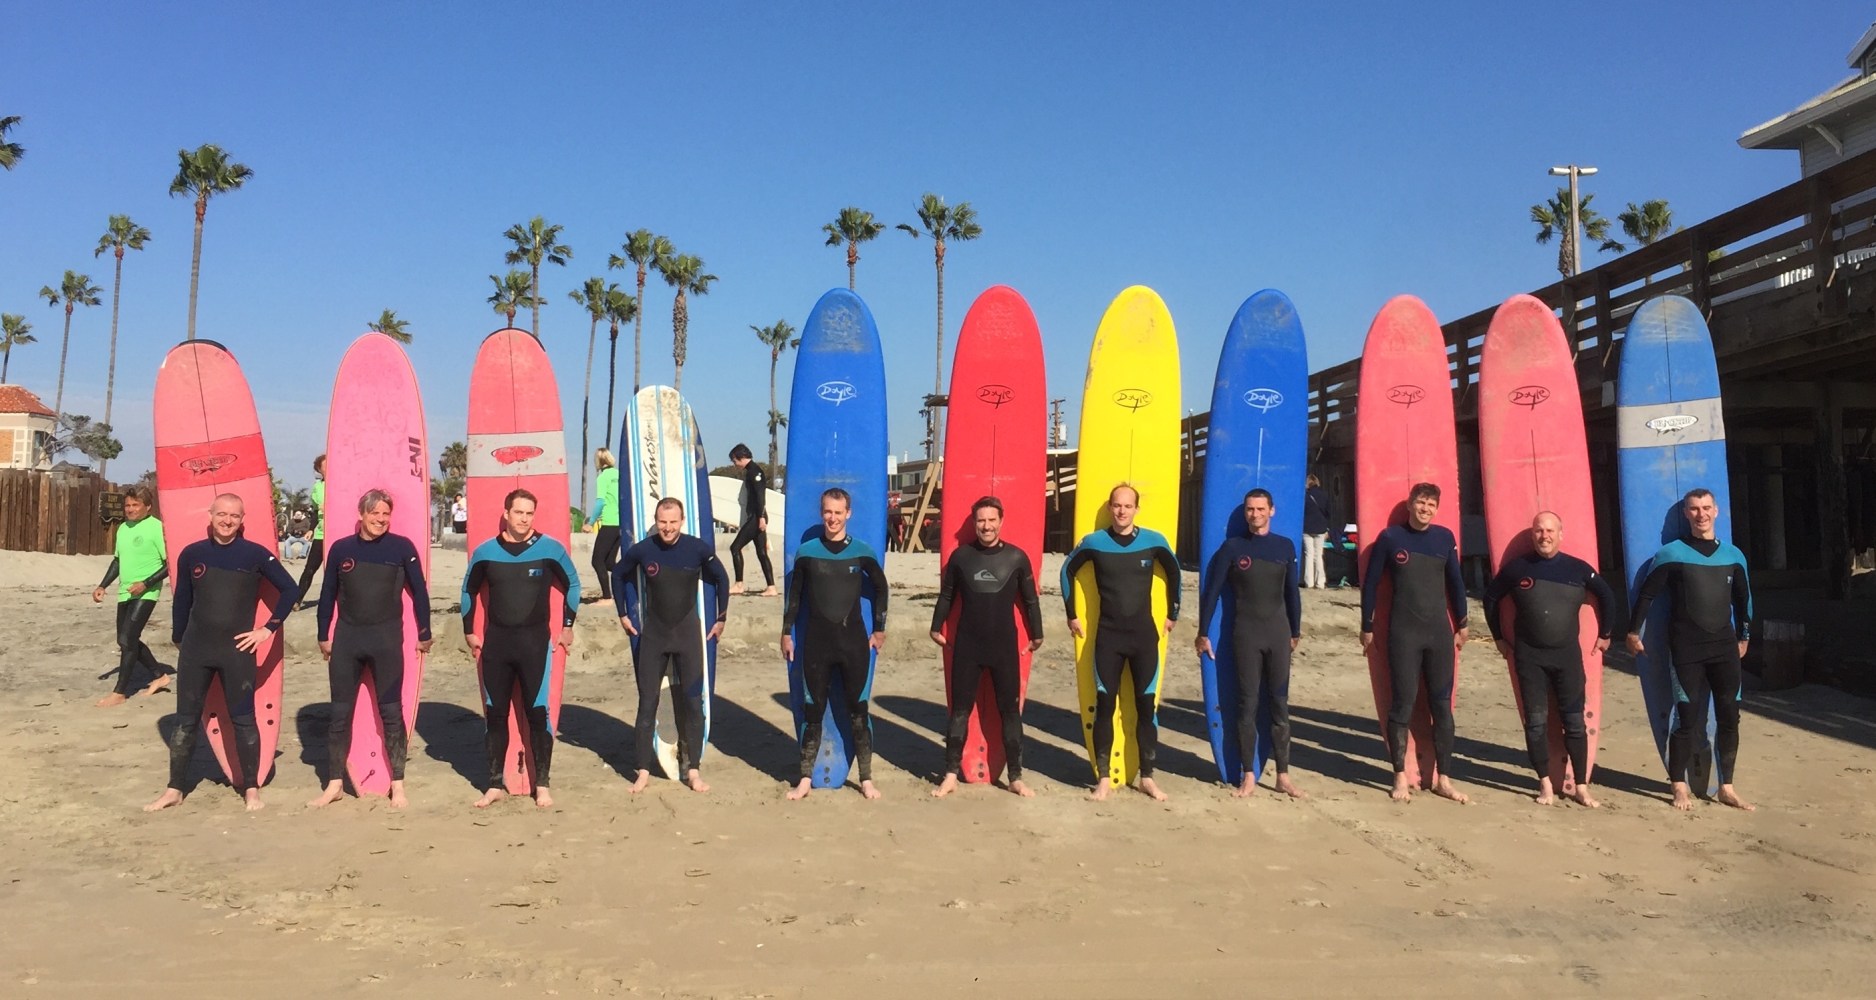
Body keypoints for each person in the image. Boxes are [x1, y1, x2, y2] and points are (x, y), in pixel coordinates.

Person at [144, 493, 299, 812]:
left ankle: (251, 788)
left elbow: (290, 590)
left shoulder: (256, 555)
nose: (227, 521)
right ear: (211, 515)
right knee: (185, 722)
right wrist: (179, 639)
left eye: (235, 516)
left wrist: (267, 629)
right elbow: (182, 600)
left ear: (243, 521)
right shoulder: (191, 554)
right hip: (196, 650)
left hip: (236, 652)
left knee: (243, 719)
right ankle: (175, 788)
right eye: (222, 514)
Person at [1626, 488, 1755, 812]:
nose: (1701, 514)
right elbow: (1646, 595)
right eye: (1694, 509)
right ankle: (1678, 786)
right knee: (1686, 718)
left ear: (1717, 511)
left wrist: (1745, 636)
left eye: (1706, 508)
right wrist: (1632, 631)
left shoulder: (1733, 556)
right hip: (1686, 649)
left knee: (1730, 717)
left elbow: (1744, 600)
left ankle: (1727, 787)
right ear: (1686, 514)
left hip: (1724, 648)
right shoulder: (1672, 554)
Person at [308, 490, 433, 809]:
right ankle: (335, 782)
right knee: (339, 714)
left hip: (386, 641)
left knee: (391, 712)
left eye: (386, 514)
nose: (381, 519)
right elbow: (327, 594)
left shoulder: (401, 548)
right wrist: (324, 633)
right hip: (348, 639)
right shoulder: (341, 549)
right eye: (375, 513)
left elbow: (419, 591)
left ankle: (398, 784)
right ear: (361, 514)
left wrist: (424, 631)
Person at [1484, 511, 1616, 808]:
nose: (1544, 536)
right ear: (1533, 535)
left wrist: (1605, 634)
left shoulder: (1577, 569)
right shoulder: (1517, 568)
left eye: (1549, 530)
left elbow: (1607, 596)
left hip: (1567, 657)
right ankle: (1544, 783)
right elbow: (1491, 599)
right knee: (1536, 723)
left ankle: (1581, 786)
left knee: (1574, 724)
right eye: (1538, 531)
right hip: (1530, 658)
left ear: (1561, 534)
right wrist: (1498, 637)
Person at [1061, 484, 1182, 802]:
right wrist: (1071, 614)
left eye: (1128, 506)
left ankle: (1148, 777)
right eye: (1116, 506)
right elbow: (1067, 571)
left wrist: (1173, 612)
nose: (1121, 511)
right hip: (1108, 637)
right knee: (1105, 706)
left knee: (1145, 707)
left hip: (1144, 636)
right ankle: (1103, 779)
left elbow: (1174, 572)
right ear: (1110, 508)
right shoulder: (1095, 543)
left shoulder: (1154, 541)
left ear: (1136, 509)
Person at [462, 489, 579, 809]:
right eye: (519, 513)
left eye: (529, 514)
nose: (524, 519)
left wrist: (567, 625)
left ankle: (542, 784)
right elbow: (468, 590)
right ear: (506, 513)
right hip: (497, 645)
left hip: (534, 644)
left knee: (537, 713)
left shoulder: (550, 549)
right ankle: (494, 784)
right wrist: (469, 631)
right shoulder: (485, 552)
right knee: (495, 714)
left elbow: (574, 583)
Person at [1360, 482, 1470, 804]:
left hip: (1438, 633)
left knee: (1442, 706)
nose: (1425, 509)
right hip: (1403, 634)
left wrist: (1462, 622)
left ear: (1437, 509)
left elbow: (1456, 582)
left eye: (1431, 505)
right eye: (1420, 503)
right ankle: (1399, 777)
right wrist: (1366, 626)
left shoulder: (1444, 538)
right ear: (1410, 505)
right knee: (1402, 705)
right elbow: (1370, 585)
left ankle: (1444, 779)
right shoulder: (1390, 538)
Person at [929, 496, 1044, 798]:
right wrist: (935, 625)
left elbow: (1030, 600)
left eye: (992, 520)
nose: (986, 526)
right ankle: (951, 774)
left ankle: (1016, 777)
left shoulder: (1017, 558)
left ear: (1001, 521)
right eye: (981, 520)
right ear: (975, 522)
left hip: (1003, 646)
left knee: (1010, 712)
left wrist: (1038, 633)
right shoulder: (961, 557)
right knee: (959, 712)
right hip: (968, 645)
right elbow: (947, 595)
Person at [614, 497, 729, 794]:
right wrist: (623, 613)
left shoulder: (697, 548)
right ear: (656, 520)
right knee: (647, 703)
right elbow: (619, 574)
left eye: (673, 521)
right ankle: (642, 771)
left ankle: (693, 771)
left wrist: (721, 618)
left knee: (692, 703)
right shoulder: (643, 549)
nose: (667, 527)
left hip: (688, 635)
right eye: (663, 522)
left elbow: (721, 578)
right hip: (654, 636)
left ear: (682, 521)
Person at [1196, 488, 1305, 799]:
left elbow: (1292, 594)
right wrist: (1203, 632)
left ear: (1271, 510)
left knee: (1279, 703)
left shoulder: (1285, 547)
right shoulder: (1232, 548)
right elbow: (1212, 592)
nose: (1254, 514)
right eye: (1249, 509)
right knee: (1247, 704)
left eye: (1260, 509)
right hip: (1246, 635)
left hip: (1278, 633)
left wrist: (1295, 630)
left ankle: (1283, 775)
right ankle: (1248, 775)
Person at [782, 487, 888, 800]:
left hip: (853, 643)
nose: (832, 518)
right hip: (815, 643)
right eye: (828, 511)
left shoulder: (863, 552)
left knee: (858, 710)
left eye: (838, 512)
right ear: (822, 512)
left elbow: (881, 589)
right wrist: (787, 632)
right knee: (812, 709)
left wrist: (879, 629)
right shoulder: (807, 552)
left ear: (848, 514)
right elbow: (795, 597)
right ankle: (804, 779)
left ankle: (866, 778)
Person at [93, 484, 171, 707]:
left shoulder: (157, 528)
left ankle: (120, 692)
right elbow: (117, 561)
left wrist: (145, 583)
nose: (130, 509)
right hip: (125, 591)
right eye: (127, 505)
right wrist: (103, 585)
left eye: (135, 505)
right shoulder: (123, 528)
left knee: (127, 639)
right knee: (125, 639)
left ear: (148, 506)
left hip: (147, 591)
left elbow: (170, 564)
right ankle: (159, 676)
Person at [727, 444, 776, 596]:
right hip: (756, 516)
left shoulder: (755, 472)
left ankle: (739, 584)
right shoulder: (752, 471)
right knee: (761, 552)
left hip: (757, 517)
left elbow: (761, 496)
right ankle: (771, 587)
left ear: (741, 458)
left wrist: (761, 517)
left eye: (734, 461)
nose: (734, 464)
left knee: (735, 548)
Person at [586, 448, 622, 603]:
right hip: (620, 524)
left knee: (597, 561)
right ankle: (628, 576)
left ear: (598, 462)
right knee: (609, 563)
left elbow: (600, 501)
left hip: (608, 523)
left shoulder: (603, 477)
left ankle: (607, 596)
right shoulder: (619, 474)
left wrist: (590, 522)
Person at [294, 454, 328, 609]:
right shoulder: (317, 488)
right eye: (324, 466)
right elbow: (314, 512)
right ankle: (297, 599)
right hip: (321, 534)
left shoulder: (342, 483)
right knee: (310, 568)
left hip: (338, 534)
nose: (328, 468)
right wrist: (311, 530)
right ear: (320, 470)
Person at [1302, 474, 1334, 589]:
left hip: (1306, 528)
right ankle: (1320, 582)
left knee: (1308, 554)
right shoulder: (1324, 495)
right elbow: (1328, 512)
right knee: (1318, 555)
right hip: (1320, 528)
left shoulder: (1304, 496)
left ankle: (1308, 582)